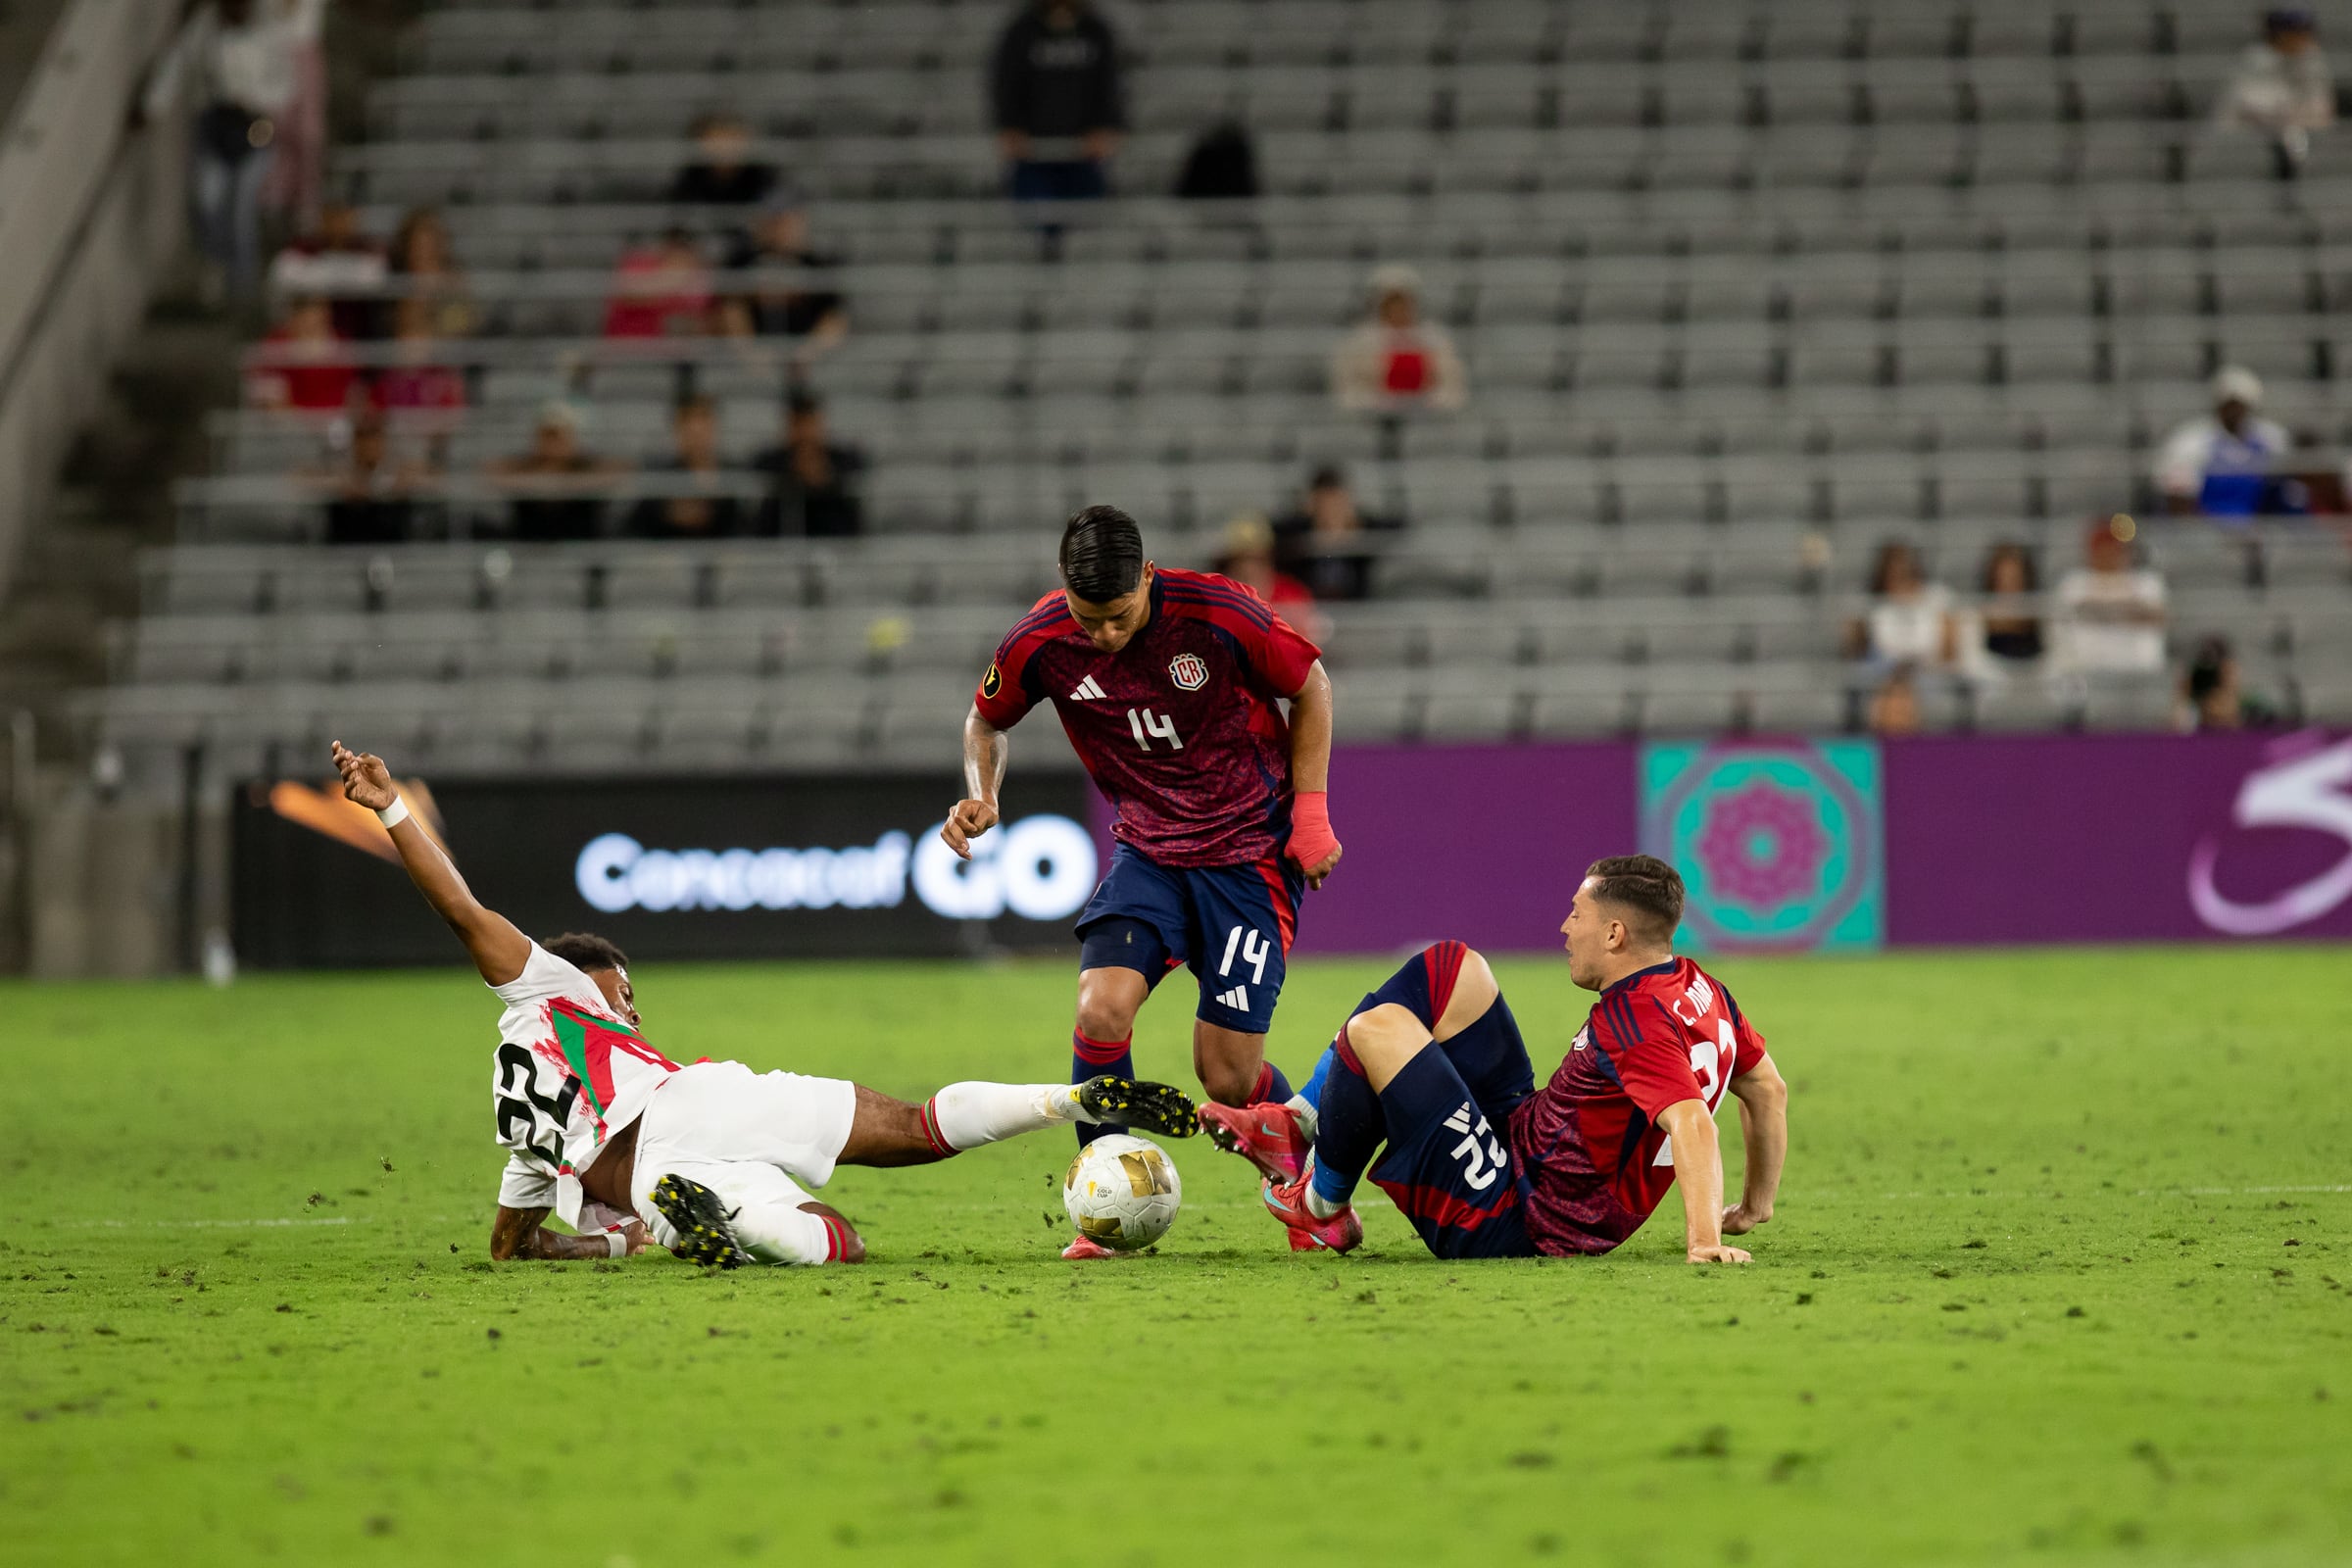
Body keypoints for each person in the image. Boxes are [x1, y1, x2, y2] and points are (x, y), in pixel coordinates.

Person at [326, 741, 1198, 1268]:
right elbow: (464, 909)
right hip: (697, 1097)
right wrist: (394, 806)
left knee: (833, 1241)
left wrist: (620, 1240)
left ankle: (709, 1227)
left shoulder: (516, 1113)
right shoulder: (548, 983)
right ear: (597, 983)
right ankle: (1068, 1099)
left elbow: (513, 1246)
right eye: (625, 994)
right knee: (914, 1126)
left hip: (640, 1173)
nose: (629, 1009)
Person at [941, 506, 1345, 1259]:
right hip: (1149, 854)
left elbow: (1311, 685)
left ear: (1148, 578)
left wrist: (1312, 812)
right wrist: (984, 795)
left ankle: (1310, 1178)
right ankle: (1105, 1206)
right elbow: (985, 721)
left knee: (1227, 1077)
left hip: (1248, 856)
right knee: (1100, 1011)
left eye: (1120, 617)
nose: (1104, 636)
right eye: (1089, 619)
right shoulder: (1038, 641)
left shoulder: (1219, 613)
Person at [1219, 858, 1788, 1265]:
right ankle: (1296, 1121)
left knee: (1377, 1029)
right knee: (1452, 967)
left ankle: (1320, 1204)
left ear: (1615, 934)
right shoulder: (1701, 989)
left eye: (1577, 915)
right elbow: (1768, 1091)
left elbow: (1690, 1121)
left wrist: (1704, 1239)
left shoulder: (1635, 1019)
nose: (1566, 929)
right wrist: (1755, 1206)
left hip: (1518, 1217)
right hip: (1525, 1148)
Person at [163, 0, 304, 303]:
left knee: (240, 210)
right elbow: (177, 61)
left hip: (254, 127)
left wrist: (253, 97)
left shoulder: (270, 33)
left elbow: (286, 85)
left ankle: (243, 287)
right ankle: (215, 261)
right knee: (204, 198)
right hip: (216, 122)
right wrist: (153, 102)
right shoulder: (205, 27)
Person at [990, 0, 1126, 205]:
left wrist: (1105, 126)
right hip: (1033, 155)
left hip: (1085, 156)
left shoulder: (1095, 31)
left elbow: (1110, 82)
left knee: (1087, 217)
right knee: (1035, 213)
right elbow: (1006, 81)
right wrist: (1010, 126)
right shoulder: (1022, 31)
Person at [715, 191, 850, 354]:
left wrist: (809, 352)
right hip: (754, 352)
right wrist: (752, 353)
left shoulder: (817, 264)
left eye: (787, 220)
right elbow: (730, 308)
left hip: (805, 349)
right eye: (775, 220)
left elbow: (834, 314)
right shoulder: (742, 261)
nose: (781, 227)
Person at [2152, 367, 2293, 519]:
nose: (2234, 411)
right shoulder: (2191, 441)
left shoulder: (2270, 438)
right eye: (2229, 404)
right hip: (2206, 528)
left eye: (2240, 405)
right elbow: (2178, 498)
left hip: (2255, 527)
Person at [1330, 265, 1468, 415]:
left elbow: (1453, 386)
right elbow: (1345, 389)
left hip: (1427, 418)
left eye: (1403, 303)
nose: (1398, 309)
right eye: (1391, 303)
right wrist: (1377, 403)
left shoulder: (1436, 339)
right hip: (1374, 419)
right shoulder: (1358, 342)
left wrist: (1432, 403)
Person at [2217, 8, 2334, 179]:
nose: (2300, 37)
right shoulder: (2254, 59)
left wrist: (2289, 114)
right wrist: (2292, 113)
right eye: (2293, 30)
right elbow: (2254, 108)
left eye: (2304, 30)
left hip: (2297, 144)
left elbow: (2321, 112)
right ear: (2277, 33)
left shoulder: (2313, 59)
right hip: (2243, 146)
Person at [487, 402, 627, 542]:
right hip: (528, 545)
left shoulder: (587, 464)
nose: (553, 444)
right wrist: (542, 483)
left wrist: (564, 484)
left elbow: (620, 469)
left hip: (582, 545)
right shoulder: (524, 464)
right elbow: (491, 471)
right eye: (548, 436)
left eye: (558, 436)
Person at [1271, 467, 1404, 603]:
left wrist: (1354, 531)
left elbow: (1399, 526)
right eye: (1324, 504)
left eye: (1335, 503)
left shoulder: (1360, 526)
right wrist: (1313, 536)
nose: (1330, 510)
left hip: (1356, 610)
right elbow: (1273, 533)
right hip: (1311, 612)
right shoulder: (1299, 528)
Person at [2057, 515, 2169, 676]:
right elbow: (2066, 618)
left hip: (2136, 670)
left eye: (2114, 547)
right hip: (2086, 670)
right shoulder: (2073, 584)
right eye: (2103, 548)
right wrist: (2123, 610)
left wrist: (2106, 608)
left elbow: (2158, 618)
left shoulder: (2147, 583)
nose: (2109, 553)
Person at [631, 395, 744, 539]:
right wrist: (668, 515)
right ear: (677, 433)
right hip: (670, 552)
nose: (696, 440)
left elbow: (744, 526)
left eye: (702, 431)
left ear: (714, 429)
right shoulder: (661, 476)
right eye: (689, 432)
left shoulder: (734, 474)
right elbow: (638, 526)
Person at [754, 392, 866, 537]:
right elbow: (758, 467)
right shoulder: (774, 460)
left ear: (820, 424)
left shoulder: (841, 458)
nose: (805, 433)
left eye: (809, 424)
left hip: (836, 537)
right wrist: (793, 472)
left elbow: (858, 466)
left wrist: (824, 474)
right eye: (798, 424)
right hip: (780, 539)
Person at [268, 201, 385, 339]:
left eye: (344, 215)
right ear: (322, 216)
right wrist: (346, 275)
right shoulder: (300, 249)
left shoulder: (368, 250)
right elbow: (284, 271)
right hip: (301, 338)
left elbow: (374, 276)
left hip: (354, 338)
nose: (338, 223)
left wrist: (314, 273)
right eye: (332, 214)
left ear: (355, 216)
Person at [317, 410, 429, 545]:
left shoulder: (397, 470)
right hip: (349, 540)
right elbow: (305, 478)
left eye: (375, 442)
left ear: (383, 443)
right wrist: (343, 487)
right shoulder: (342, 470)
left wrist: (395, 487)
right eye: (364, 442)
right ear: (356, 444)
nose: (370, 448)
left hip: (390, 541)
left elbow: (431, 477)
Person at [1848, 541, 1955, 670]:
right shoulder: (1872, 603)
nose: (1897, 575)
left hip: (1931, 672)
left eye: (1903, 570)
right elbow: (1856, 649)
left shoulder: (1937, 597)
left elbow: (1949, 652)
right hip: (1883, 675)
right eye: (1891, 571)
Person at [1211, 514, 1320, 636]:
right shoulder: (1215, 594)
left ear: (1268, 556)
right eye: (1242, 558)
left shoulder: (1291, 593)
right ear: (1230, 560)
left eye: (1256, 558)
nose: (1249, 566)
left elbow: (1307, 641)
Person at [368, 297, 466, 427]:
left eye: (419, 332)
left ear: (430, 336)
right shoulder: (386, 380)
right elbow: (376, 417)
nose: (412, 341)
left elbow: (454, 420)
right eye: (406, 331)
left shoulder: (443, 377)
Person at [247, 295, 357, 412]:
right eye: (307, 313)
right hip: (288, 422)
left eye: (321, 313)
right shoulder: (276, 344)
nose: (313, 320)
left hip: (335, 421)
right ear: (295, 316)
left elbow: (353, 392)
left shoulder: (341, 343)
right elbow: (268, 398)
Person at [1958, 541, 2046, 681]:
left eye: (2015, 578)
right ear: (1992, 580)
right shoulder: (1975, 617)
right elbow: (1970, 664)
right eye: (2003, 578)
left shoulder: (2043, 615)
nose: (2009, 585)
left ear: (2026, 580)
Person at [604, 228, 712, 339]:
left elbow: (695, 319)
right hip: (626, 345)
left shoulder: (696, 278)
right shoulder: (639, 264)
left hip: (672, 350)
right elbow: (627, 293)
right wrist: (673, 281)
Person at [388, 207, 477, 339]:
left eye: (429, 246)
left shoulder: (454, 282)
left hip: (445, 352)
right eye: (417, 246)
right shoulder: (397, 283)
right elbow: (399, 328)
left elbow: (460, 327)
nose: (423, 253)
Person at [669, 113, 778, 206]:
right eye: (716, 139)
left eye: (732, 138)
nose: (724, 146)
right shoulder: (689, 180)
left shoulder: (762, 178)